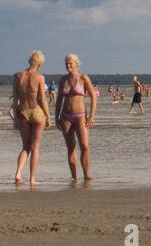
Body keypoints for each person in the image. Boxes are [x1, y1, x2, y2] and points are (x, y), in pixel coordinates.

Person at [55, 54, 97, 181]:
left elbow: (93, 97)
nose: (68, 66)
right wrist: (56, 117)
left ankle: (86, 174)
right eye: (66, 64)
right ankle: (74, 176)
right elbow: (59, 99)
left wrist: (91, 116)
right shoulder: (63, 80)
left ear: (76, 64)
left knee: (84, 145)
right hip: (66, 116)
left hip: (80, 116)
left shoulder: (83, 78)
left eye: (70, 63)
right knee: (70, 146)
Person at [12, 51, 50, 185]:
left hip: (23, 112)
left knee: (25, 147)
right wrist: (48, 116)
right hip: (36, 112)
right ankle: (32, 178)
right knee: (35, 147)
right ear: (39, 63)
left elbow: (15, 99)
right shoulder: (39, 77)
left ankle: (18, 173)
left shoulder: (18, 76)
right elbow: (42, 99)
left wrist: (16, 116)